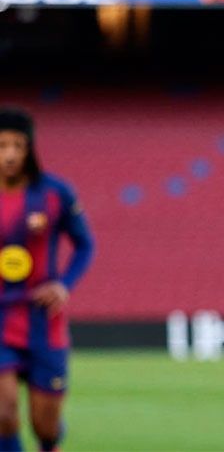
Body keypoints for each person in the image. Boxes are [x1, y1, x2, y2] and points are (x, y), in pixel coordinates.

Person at [0, 109, 95, 452]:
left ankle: (51, 439)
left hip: (43, 320)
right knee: (4, 412)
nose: (10, 154)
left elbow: (85, 245)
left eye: (17, 145)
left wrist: (63, 285)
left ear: (30, 148)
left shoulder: (56, 194)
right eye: (2, 146)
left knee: (46, 426)